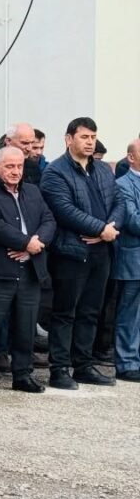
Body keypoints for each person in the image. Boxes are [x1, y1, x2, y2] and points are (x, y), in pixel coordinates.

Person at [40, 117, 122, 389]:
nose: (90, 142)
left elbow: (119, 201)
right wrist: (101, 228)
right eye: (84, 137)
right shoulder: (55, 172)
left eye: (93, 137)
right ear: (69, 139)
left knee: (91, 311)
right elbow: (64, 210)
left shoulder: (102, 170)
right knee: (65, 312)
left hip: (102, 251)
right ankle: (59, 369)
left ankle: (83, 365)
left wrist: (109, 229)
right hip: (71, 253)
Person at [0, 146, 56, 394]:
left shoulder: (33, 191)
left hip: (30, 269)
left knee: (25, 327)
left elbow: (49, 220)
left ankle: (23, 374)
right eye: (9, 166)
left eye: (19, 166)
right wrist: (24, 242)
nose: (16, 171)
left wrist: (35, 245)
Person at [114, 139, 140, 382]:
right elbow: (133, 221)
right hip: (133, 261)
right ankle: (127, 362)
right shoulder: (123, 184)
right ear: (131, 157)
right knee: (130, 314)